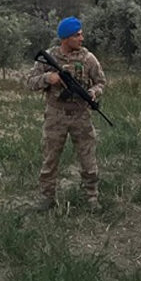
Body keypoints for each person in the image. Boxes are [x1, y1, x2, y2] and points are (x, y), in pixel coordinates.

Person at [26, 16, 106, 212]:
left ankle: (91, 197)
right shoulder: (50, 57)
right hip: (55, 115)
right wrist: (48, 78)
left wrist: (93, 93)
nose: (82, 38)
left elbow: (101, 82)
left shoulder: (88, 59)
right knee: (50, 159)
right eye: (77, 35)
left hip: (81, 116)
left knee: (88, 158)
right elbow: (29, 82)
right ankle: (47, 198)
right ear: (65, 38)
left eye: (81, 34)